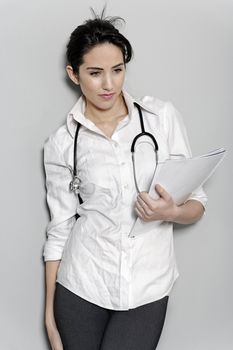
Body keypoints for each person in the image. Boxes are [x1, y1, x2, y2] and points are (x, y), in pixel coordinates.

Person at [43, 9, 207, 350]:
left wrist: (171, 213)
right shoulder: (62, 143)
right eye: (95, 73)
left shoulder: (161, 119)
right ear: (74, 74)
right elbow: (60, 229)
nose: (109, 84)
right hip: (81, 286)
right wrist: (48, 312)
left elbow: (198, 204)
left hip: (147, 285)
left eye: (117, 70)